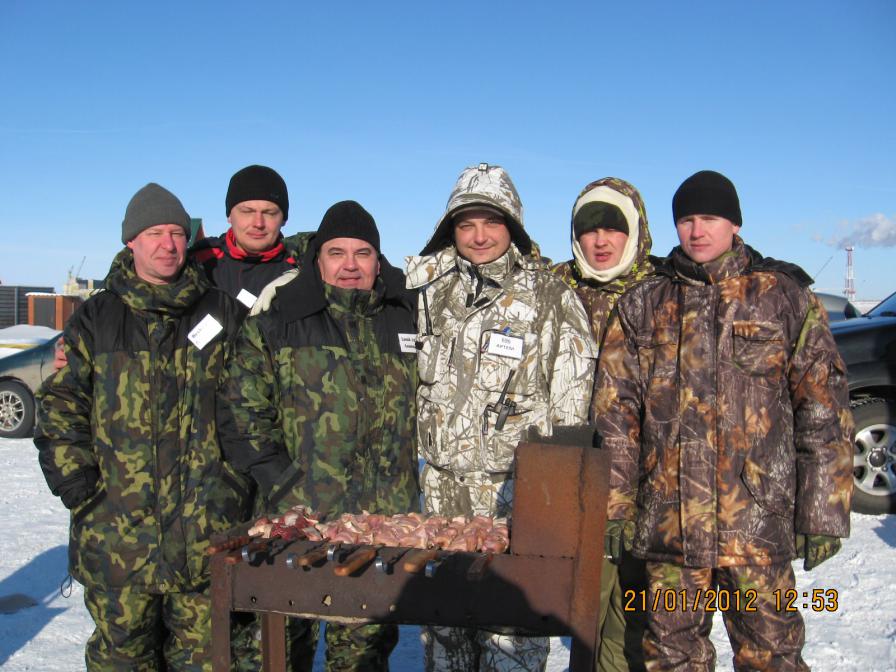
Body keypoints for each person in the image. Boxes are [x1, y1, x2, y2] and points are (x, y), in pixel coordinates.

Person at [594, 170, 854, 671]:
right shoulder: (643, 304)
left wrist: (823, 511)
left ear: (735, 223)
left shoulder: (783, 297)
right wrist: (617, 504)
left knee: (772, 654)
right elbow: (616, 415)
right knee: (671, 656)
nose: (697, 231)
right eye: (686, 220)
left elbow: (822, 408)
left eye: (709, 218)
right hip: (670, 525)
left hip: (757, 524)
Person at [35, 183, 250, 670]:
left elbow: (252, 405)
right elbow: (62, 406)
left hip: (205, 534)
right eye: (154, 233)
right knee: (121, 660)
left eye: (177, 233)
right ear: (131, 240)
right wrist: (80, 488)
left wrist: (234, 487)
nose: (167, 245)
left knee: (207, 659)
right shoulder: (97, 318)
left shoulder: (223, 314)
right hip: (117, 539)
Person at [406, 163, 597, 671]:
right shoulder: (429, 293)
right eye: (466, 224)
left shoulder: (551, 297)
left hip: (514, 496)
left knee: (510, 638)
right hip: (442, 495)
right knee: (444, 636)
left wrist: (552, 503)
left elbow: (571, 409)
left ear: (513, 227)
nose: (479, 236)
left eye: (492, 222)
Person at [217, 200, 419, 671]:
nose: (350, 265)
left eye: (363, 253)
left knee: (362, 658)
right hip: (296, 525)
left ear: (378, 261)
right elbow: (241, 413)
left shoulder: (406, 317)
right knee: (282, 651)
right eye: (336, 253)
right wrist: (282, 483)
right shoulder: (281, 319)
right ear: (317, 259)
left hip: (378, 529)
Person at [551, 177, 651, 672]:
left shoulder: (665, 289)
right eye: (588, 229)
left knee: (638, 614)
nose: (601, 240)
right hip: (577, 482)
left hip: (650, 484)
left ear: (635, 231)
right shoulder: (553, 287)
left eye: (614, 228)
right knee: (583, 610)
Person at [192, 164, 310, 306]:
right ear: (229, 216)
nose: (258, 223)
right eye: (247, 212)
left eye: (269, 213)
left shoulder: (304, 266)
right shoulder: (198, 261)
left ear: (284, 219)